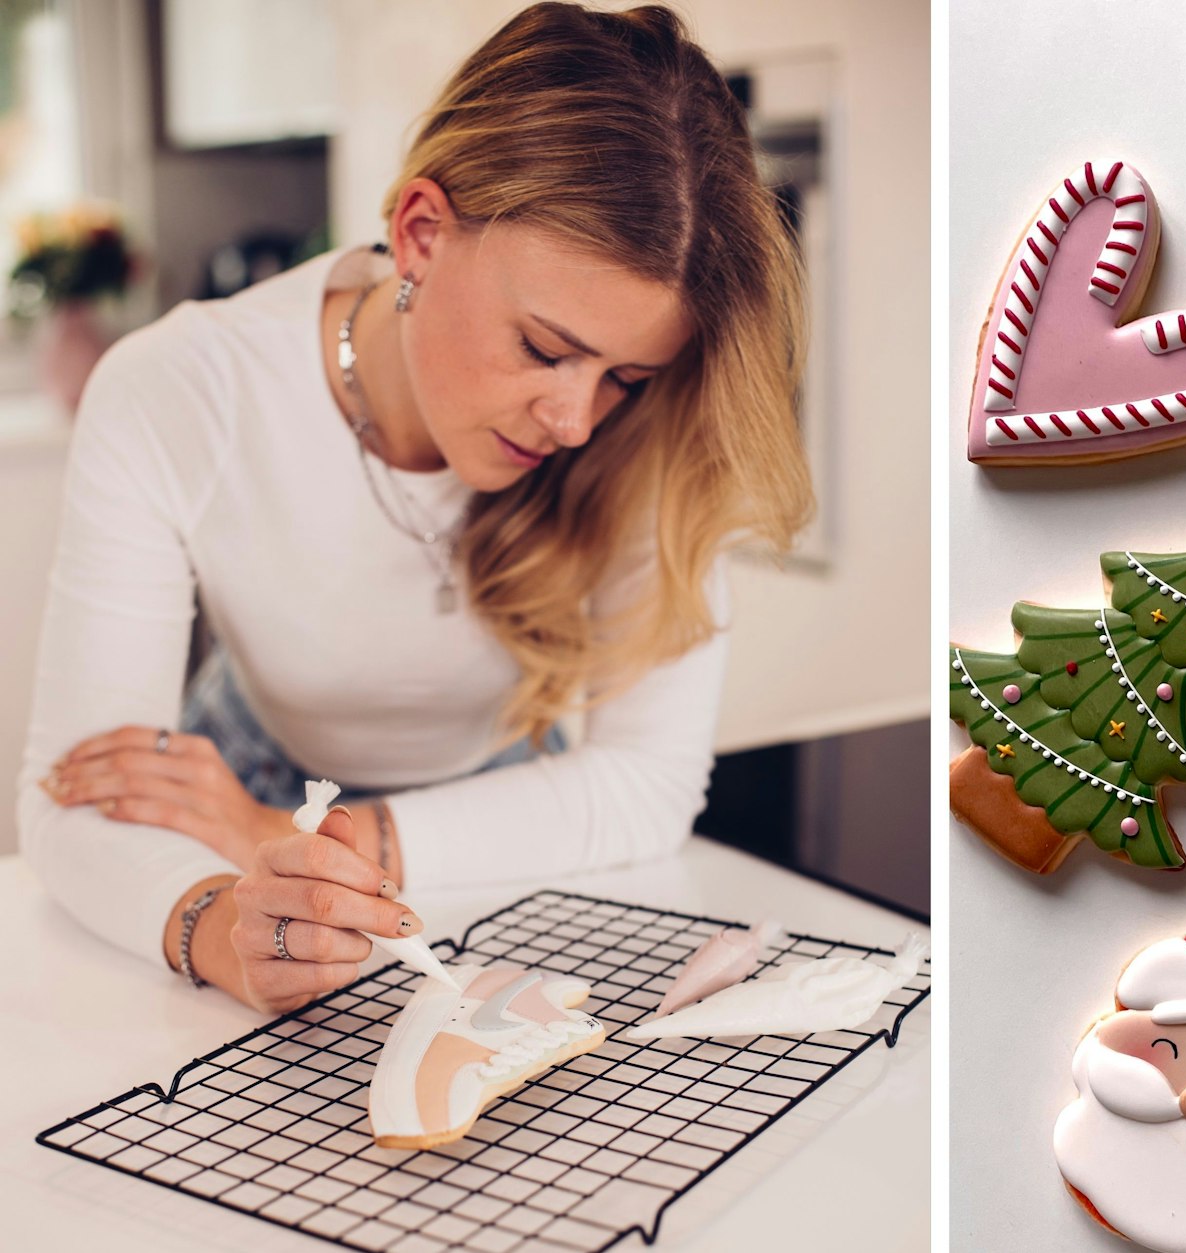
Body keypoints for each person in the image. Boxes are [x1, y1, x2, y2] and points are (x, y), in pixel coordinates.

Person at [15, 3, 812, 1014]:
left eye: (626, 375)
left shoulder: (653, 433)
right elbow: (70, 802)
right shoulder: (180, 386)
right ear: (421, 232)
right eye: (542, 347)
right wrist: (219, 922)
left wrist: (293, 836)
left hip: (495, 800)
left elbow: (643, 787)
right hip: (240, 767)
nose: (575, 421)